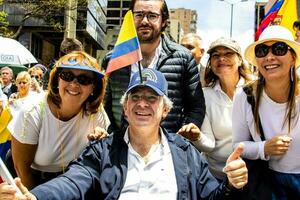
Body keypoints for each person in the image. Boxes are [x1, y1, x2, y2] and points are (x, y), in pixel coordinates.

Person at [0, 68, 248, 200]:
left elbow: (214, 196)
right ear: (125, 108)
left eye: (152, 98)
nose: (143, 104)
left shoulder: (185, 154)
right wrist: (35, 196)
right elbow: (72, 183)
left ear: (164, 110)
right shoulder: (101, 151)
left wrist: (231, 184)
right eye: (135, 97)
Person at [7, 51, 110, 189]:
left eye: (84, 79)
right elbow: (21, 170)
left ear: (94, 87)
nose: (74, 84)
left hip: (72, 180)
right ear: (57, 80)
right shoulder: (31, 112)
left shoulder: (96, 113)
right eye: (67, 76)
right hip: (32, 179)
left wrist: (101, 142)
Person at [102, 0, 205, 134]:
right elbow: (103, 105)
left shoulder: (183, 58)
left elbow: (196, 107)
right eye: (138, 15)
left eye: (152, 15)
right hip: (120, 146)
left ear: (163, 21)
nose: (144, 21)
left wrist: (179, 141)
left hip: (167, 148)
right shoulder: (113, 59)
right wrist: (113, 138)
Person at [232, 25, 300, 199]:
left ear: (292, 57)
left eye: (279, 49)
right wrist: (264, 147)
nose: (269, 57)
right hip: (268, 186)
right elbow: (237, 145)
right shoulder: (245, 95)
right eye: (262, 50)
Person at [178, 37, 252, 181]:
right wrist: (197, 136)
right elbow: (209, 145)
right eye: (216, 55)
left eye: (228, 54)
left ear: (240, 60)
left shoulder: (256, 89)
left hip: (252, 176)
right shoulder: (205, 95)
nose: (221, 59)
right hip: (216, 177)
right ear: (210, 63)